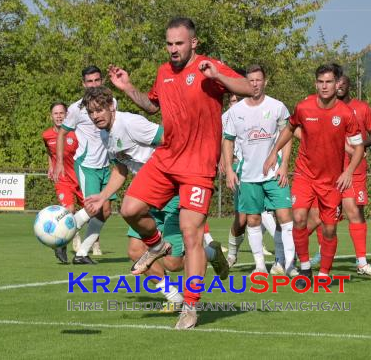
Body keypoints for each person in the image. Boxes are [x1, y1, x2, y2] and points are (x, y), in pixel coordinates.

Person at [108, 17, 251, 329]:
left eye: (179, 43)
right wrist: (127, 87)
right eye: (170, 44)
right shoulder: (163, 72)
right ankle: (156, 244)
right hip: (167, 158)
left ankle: (190, 306)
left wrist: (220, 77)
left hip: (198, 166)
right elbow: (151, 106)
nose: (174, 49)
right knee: (130, 209)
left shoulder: (207, 67)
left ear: (193, 43)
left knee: (191, 235)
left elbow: (248, 87)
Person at [80, 85, 229, 309]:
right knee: (135, 251)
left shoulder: (130, 123)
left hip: (171, 190)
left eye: (100, 110)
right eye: (91, 112)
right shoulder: (104, 134)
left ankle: (210, 252)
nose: (96, 116)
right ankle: (174, 298)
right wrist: (102, 196)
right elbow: (120, 169)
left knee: (174, 262)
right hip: (146, 197)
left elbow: (170, 141)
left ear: (112, 106)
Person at [263, 63, 364, 284]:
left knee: (329, 229)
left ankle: (324, 273)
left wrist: (348, 172)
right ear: (315, 83)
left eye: (329, 82)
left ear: (336, 84)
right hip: (305, 174)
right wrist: (274, 152)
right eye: (321, 82)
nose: (324, 86)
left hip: (332, 181)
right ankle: (306, 268)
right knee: (298, 218)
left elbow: (359, 148)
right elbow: (289, 129)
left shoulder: (346, 114)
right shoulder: (304, 107)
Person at [222, 65, 295, 276]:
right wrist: (229, 169)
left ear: (265, 82)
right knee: (252, 220)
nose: (255, 84)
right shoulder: (236, 111)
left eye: (258, 80)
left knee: (285, 216)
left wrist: (284, 165)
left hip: (273, 174)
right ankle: (261, 266)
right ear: (246, 83)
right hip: (248, 175)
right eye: (251, 80)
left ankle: (287, 264)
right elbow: (228, 140)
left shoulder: (277, 106)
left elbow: (287, 135)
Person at [53, 66, 112, 264]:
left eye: (97, 80)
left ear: (102, 80)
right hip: (87, 165)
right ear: (83, 84)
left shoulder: (112, 102)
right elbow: (61, 133)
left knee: (106, 211)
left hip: (107, 164)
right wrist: (59, 162)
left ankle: (81, 253)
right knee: (93, 208)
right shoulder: (77, 108)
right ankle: (61, 237)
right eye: (90, 81)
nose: (94, 84)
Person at [336, 75, 371, 276]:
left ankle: (361, 261)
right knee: (318, 215)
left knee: (356, 211)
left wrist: (359, 147)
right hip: (330, 168)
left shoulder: (362, 108)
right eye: (335, 83)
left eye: (342, 84)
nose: (338, 87)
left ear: (349, 86)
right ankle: (304, 256)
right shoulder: (324, 108)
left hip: (355, 169)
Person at [42, 102, 85, 264]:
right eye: (56, 113)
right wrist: (51, 166)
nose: (59, 116)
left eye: (62, 113)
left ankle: (85, 241)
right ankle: (62, 244)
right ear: (51, 116)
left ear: (67, 115)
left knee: (92, 211)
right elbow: (49, 152)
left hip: (80, 178)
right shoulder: (46, 135)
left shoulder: (76, 133)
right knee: (69, 209)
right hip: (62, 178)